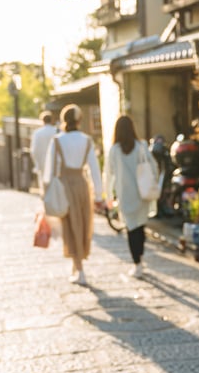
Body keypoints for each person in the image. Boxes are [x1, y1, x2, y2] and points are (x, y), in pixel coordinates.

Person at [43, 104, 104, 286]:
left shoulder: (57, 140)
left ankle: (79, 269)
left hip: (64, 186)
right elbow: (94, 169)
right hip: (82, 185)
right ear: (79, 120)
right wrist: (99, 195)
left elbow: (48, 173)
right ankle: (77, 265)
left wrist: (45, 192)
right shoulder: (86, 140)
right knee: (83, 224)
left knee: (70, 226)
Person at [104, 115, 158, 278]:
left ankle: (137, 264)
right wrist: (153, 182)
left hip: (125, 195)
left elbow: (109, 174)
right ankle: (140, 257)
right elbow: (153, 166)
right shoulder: (141, 146)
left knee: (131, 229)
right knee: (140, 227)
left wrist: (109, 195)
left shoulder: (114, 150)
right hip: (141, 194)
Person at [31, 110, 58, 192]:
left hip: (42, 161)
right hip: (55, 161)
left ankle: (46, 202)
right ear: (52, 120)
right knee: (55, 184)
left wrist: (36, 164)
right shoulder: (56, 131)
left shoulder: (37, 133)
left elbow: (34, 150)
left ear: (42, 121)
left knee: (44, 185)